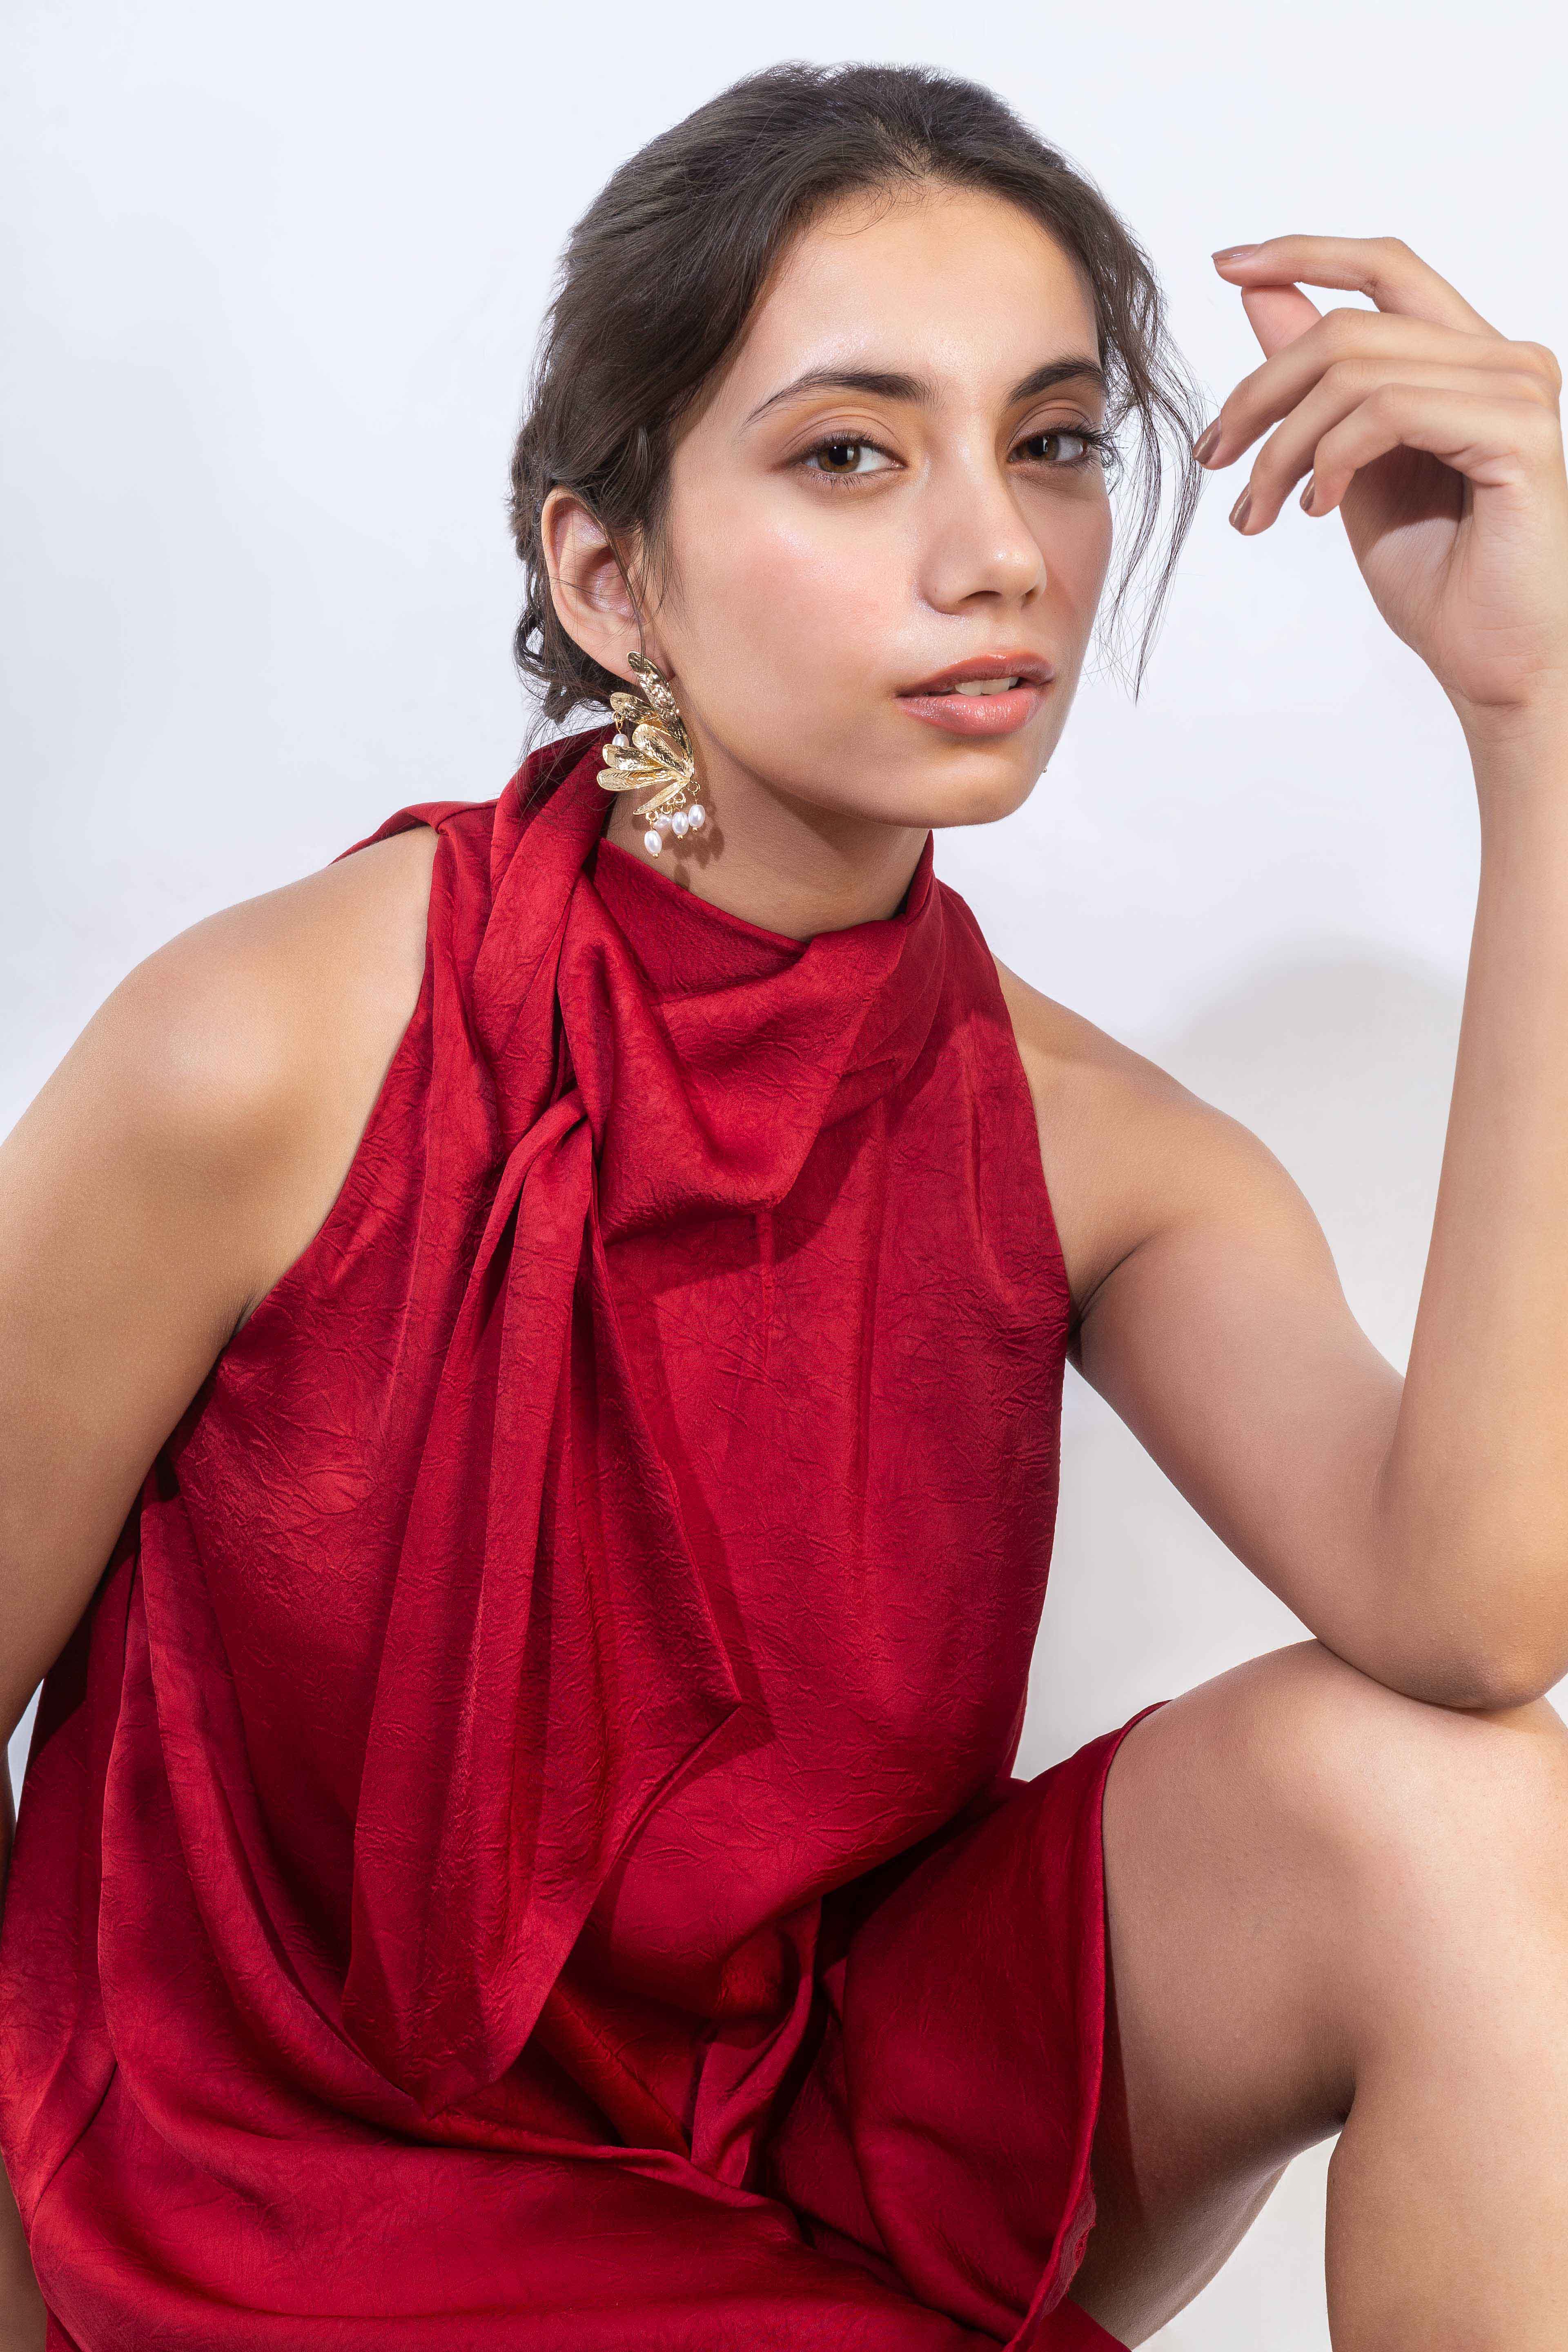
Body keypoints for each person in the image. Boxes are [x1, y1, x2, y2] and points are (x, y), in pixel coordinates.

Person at [2, 56, 1566, 2352]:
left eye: (1054, 441)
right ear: (608, 573)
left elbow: (1475, 1621)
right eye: (853, 451)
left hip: (812, 2138)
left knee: (1460, 1811)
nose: (998, 551)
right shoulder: (269, 1052)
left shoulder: (1092, 1148)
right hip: (283, 2211)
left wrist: (1541, 726)